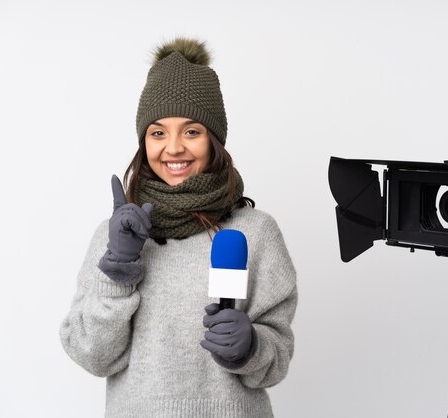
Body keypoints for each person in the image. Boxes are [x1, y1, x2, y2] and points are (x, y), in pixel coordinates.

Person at [59, 37, 298, 418]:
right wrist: (117, 272)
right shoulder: (116, 236)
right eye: (157, 132)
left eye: (191, 131)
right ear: (143, 142)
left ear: (214, 140)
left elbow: (276, 361)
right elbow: (92, 356)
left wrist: (252, 346)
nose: (173, 148)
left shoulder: (255, 233)